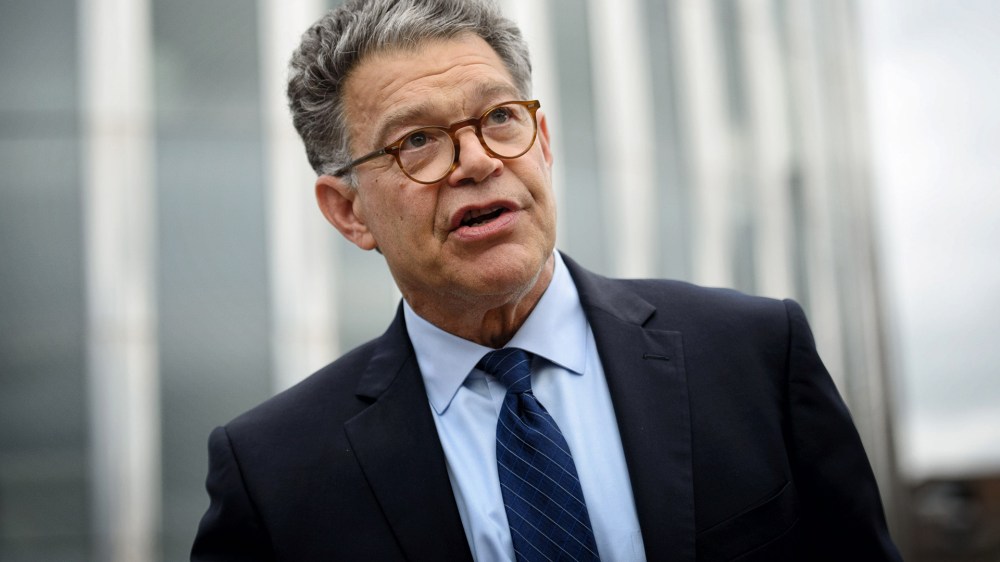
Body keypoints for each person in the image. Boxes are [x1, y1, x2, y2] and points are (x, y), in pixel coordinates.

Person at [192, 0, 902, 560]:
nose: (476, 160)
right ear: (348, 211)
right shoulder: (274, 474)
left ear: (544, 141)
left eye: (501, 117)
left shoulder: (752, 355)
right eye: (417, 141)